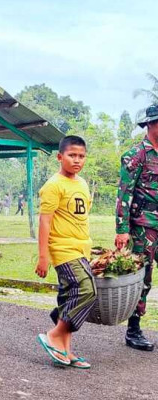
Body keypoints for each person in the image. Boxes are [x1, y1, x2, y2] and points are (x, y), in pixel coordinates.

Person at [35, 135, 96, 369]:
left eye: (81, 156)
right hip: (63, 250)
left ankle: (66, 350)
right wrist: (43, 256)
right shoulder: (53, 185)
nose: (77, 160)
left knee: (69, 296)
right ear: (60, 157)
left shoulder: (81, 184)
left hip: (81, 249)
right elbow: (45, 222)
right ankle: (54, 334)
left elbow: (80, 219)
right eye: (72, 155)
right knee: (87, 290)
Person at [115, 104, 158, 351]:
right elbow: (124, 194)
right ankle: (134, 330)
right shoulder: (136, 155)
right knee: (144, 277)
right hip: (143, 226)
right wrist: (122, 228)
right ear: (151, 124)